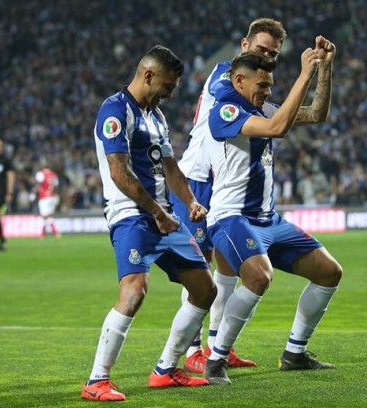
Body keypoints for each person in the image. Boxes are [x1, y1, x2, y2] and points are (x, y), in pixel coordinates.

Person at [173, 18, 336, 374]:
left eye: (273, 54)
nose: (267, 58)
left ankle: (220, 345)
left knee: (228, 272)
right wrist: (303, 76)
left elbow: (309, 114)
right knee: (201, 272)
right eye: (261, 50)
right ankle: (194, 351)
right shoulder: (225, 79)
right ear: (244, 47)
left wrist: (323, 69)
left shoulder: (258, 96)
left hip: (235, 187)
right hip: (199, 179)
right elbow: (274, 122)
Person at [81, 45, 217, 402]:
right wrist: (158, 212)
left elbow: (171, 168)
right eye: (168, 85)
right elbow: (118, 171)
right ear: (148, 75)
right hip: (131, 215)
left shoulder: (156, 116)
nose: (171, 93)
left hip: (165, 215)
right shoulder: (115, 110)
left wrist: (190, 201)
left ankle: (166, 369)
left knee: (205, 289)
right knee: (134, 291)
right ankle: (97, 380)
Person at [34, 167, 61, 238]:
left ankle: (55, 232)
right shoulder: (54, 174)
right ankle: (43, 234)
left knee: (45, 216)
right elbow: (56, 187)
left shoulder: (41, 174)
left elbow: (38, 186)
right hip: (52, 197)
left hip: (43, 197)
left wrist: (34, 194)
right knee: (47, 216)